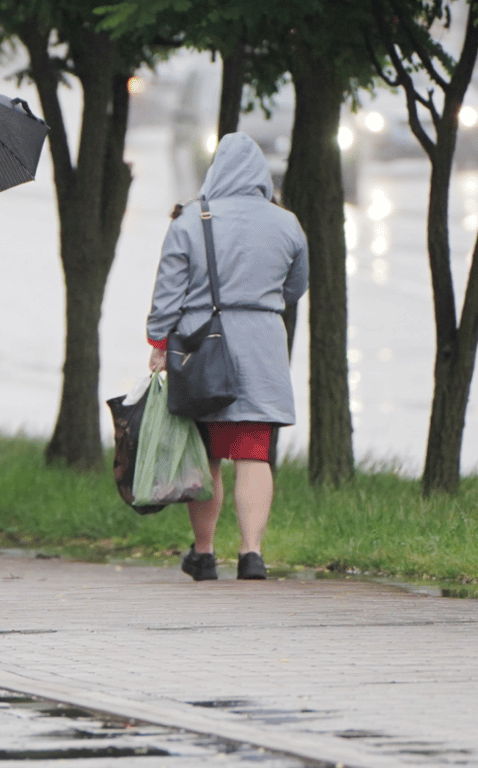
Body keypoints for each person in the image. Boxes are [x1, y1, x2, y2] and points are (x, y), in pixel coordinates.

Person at [146, 132, 309, 581]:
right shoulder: (287, 223)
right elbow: (295, 288)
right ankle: (252, 553)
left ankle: (204, 553)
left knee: (208, 455)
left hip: (202, 347)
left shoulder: (189, 222)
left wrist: (159, 343)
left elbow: (167, 295)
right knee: (254, 452)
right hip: (262, 346)